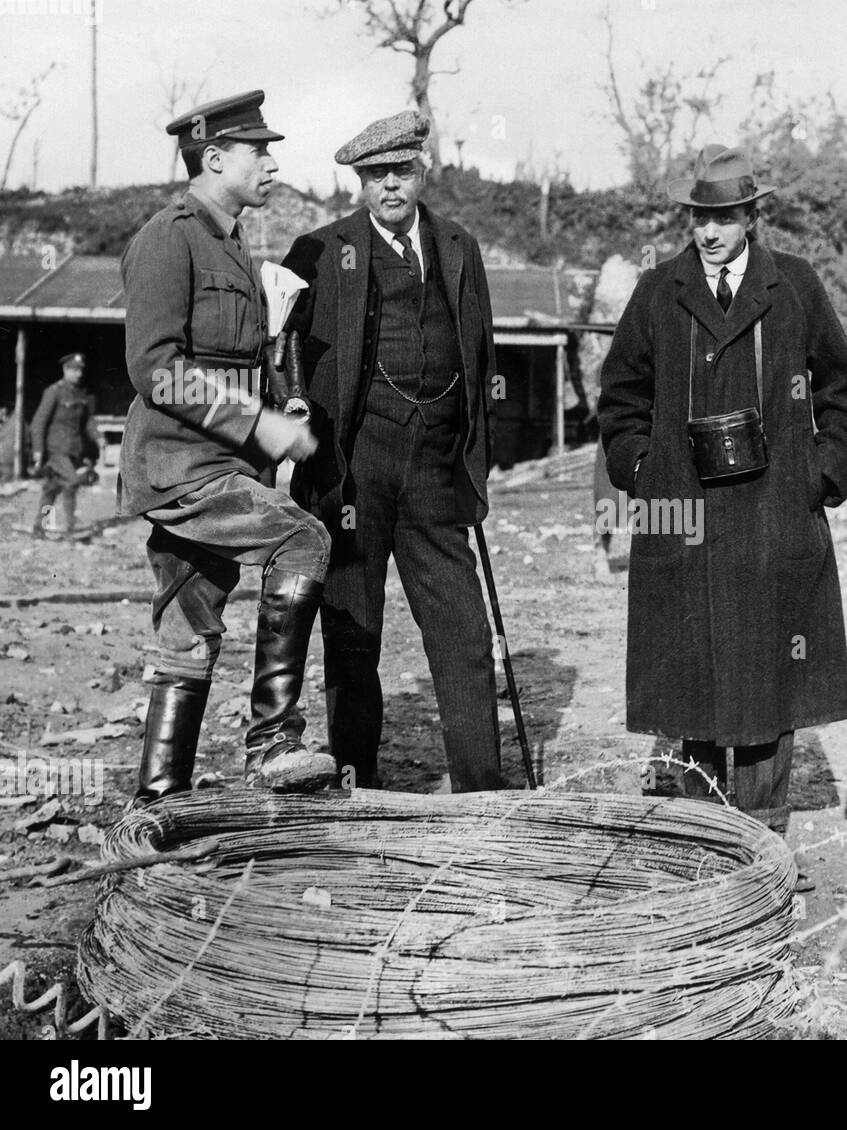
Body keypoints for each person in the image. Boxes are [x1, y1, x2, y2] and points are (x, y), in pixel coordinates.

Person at [598, 144, 847, 886]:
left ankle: (764, 851)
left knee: (764, 685)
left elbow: (845, 394)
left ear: (753, 217)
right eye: (700, 218)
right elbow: (620, 396)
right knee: (687, 682)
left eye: (724, 218)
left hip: (772, 517)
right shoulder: (660, 290)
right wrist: (643, 468)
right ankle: (697, 848)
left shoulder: (796, 288)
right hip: (680, 518)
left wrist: (818, 476)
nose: (710, 233)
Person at [119, 90, 336, 805]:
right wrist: (258, 426)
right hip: (185, 466)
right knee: (302, 541)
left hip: (221, 464)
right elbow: (156, 370)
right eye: (259, 152)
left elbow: (231, 357)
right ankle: (274, 742)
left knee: (188, 623)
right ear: (214, 158)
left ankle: (158, 804)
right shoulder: (168, 237)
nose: (273, 164)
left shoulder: (233, 242)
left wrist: (281, 400)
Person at [280, 111, 505, 792]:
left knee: (465, 633)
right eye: (374, 175)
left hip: (436, 468)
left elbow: (486, 356)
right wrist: (289, 418)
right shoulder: (317, 252)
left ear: (422, 171)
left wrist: (473, 459)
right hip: (353, 472)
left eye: (400, 172)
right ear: (358, 182)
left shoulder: (458, 246)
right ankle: (357, 784)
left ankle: (482, 790)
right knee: (354, 634)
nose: (388, 187)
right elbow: (275, 352)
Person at [29, 352, 100, 538]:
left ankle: (39, 528)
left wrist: (98, 436)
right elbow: (38, 423)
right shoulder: (54, 392)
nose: (78, 374)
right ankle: (71, 527)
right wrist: (38, 451)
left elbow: (87, 422)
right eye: (74, 370)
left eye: (80, 370)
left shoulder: (82, 394)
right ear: (65, 370)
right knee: (72, 481)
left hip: (73, 450)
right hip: (56, 450)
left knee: (51, 489)